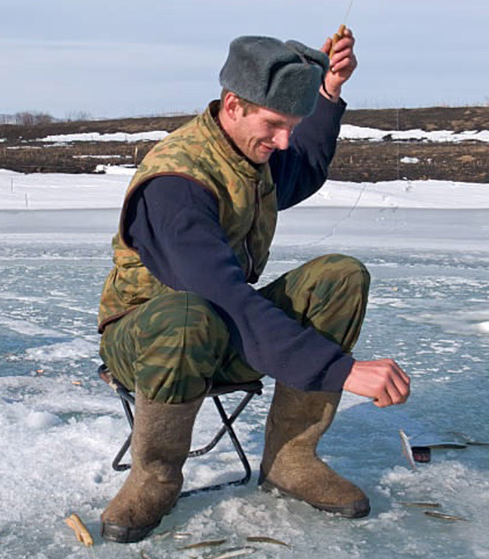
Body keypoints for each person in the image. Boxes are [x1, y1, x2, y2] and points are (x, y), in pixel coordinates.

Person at [96, 27, 411, 543]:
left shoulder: (246, 151)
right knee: (187, 315)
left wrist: (327, 93)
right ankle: (154, 476)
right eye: (274, 125)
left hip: (222, 331)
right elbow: (224, 298)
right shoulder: (177, 183)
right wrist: (340, 370)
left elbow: (300, 168)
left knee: (339, 277)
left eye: (292, 126)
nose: (282, 141)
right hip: (146, 340)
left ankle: (292, 460)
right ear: (233, 105)